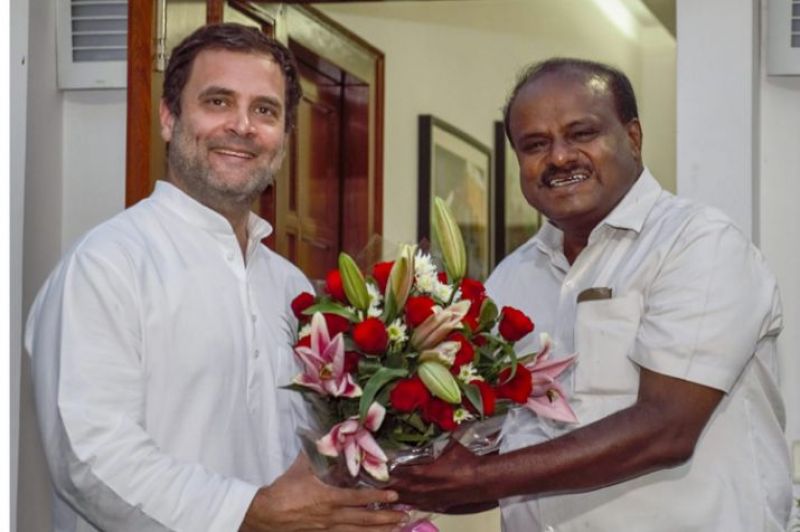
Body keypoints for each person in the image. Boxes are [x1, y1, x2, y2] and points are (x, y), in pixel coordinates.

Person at [25, 23, 406, 532]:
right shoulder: (106, 266)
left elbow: (305, 456)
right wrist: (251, 513)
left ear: (285, 138)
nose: (243, 126)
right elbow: (90, 459)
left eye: (265, 110)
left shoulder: (292, 287)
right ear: (168, 117)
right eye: (218, 102)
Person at [391, 58, 793, 531]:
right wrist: (401, 479)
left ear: (634, 138)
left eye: (582, 133)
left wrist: (477, 477)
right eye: (535, 144)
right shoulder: (510, 280)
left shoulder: (699, 243)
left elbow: (667, 429)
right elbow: (504, 451)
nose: (559, 157)